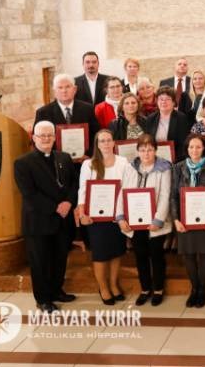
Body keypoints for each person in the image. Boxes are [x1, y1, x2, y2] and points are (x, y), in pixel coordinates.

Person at [14, 121, 78, 312]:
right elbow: (29, 193)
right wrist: (56, 207)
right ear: (34, 138)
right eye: (42, 135)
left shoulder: (64, 157)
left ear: (55, 137)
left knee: (60, 258)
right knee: (40, 262)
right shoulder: (23, 163)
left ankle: (57, 291)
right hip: (38, 221)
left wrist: (69, 202)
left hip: (62, 220)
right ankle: (42, 299)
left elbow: (74, 184)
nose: (46, 138)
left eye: (49, 135)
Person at [116, 134, 172, 306]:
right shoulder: (130, 168)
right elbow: (122, 192)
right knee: (140, 256)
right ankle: (145, 289)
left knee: (156, 255)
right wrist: (120, 217)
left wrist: (158, 220)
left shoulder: (164, 168)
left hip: (155, 222)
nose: (146, 153)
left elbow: (165, 195)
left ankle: (158, 289)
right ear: (138, 151)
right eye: (142, 150)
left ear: (155, 150)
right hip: (134, 221)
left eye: (149, 149)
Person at [76, 129, 128, 305]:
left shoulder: (123, 162)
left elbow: (127, 187)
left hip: (117, 215)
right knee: (100, 254)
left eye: (108, 140)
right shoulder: (88, 164)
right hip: (95, 218)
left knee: (117, 251)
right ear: (97, 144)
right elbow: (83, 189)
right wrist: (82, 213)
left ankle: (113, 284)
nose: (105, 143)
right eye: (102, 141)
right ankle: (103, 288)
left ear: (114, 143)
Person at [170, 134, 205, 308]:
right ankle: (194, 288)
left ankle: (202, 290)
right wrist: (176, 219)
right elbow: (173, 196)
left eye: (198, 147)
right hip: (185, 220)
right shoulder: (178, 167)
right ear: (187, 148)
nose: (194, 150)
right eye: (191, 147)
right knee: (189, 255)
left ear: (204, 148)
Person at [34, 73, 100, 161]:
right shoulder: (43, 113)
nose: (64, 91)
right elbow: (38, 141)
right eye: (60, 87)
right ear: (54, 91)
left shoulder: (87, 109)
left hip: (83, 161)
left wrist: (88, 155)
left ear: (75, 89)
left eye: (67, 87)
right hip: (55, 163)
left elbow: (96, 135)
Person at [144, 86, 191, 163]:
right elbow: (148, 141)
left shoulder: (181, 118)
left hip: (176, 160)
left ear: (173, 102)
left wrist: (173, 160)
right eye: (161, 99)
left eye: (167, 99)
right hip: (154, 159)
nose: (164, 102)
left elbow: (184, 144)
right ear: (157, 101)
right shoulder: (151, 118)